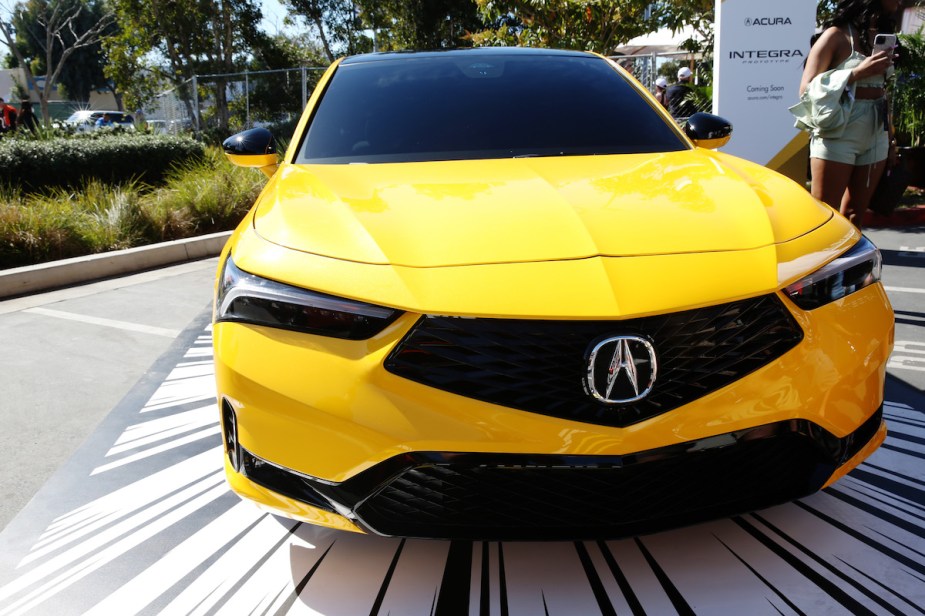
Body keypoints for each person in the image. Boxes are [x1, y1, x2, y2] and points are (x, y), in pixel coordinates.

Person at [795, 0, 902, 228]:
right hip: (839, 129)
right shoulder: (835, 36)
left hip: (876, 130)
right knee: (825, 215)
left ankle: (850, 264)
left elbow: (884, 90)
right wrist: (855, 73)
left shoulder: (882, 36)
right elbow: (805, 88)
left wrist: (890, 136)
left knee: (855, 215)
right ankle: (823, 263)